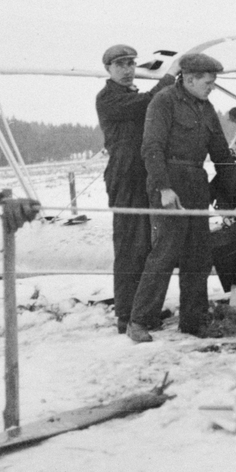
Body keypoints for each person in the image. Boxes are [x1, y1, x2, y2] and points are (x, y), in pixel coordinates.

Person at [127, 53, 236, 342]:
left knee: (198, 254)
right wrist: (162, 188)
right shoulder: (163, 102)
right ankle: (139, 322)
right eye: (208, 82)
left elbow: (221, 155)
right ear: (190, 78)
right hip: (169, 182)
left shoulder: (206, 108)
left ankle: (193, 323)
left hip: (196, 183)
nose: (212, 87)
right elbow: (152, 147)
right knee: (165, 252)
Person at [95, 44, 176, 333]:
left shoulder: (127, 95)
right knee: (129, 245)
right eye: (120, 65)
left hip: (140, 175)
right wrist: (168, 79)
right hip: (125, 176)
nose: (128, 70)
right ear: (108, 69)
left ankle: (140, 309)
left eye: (131, 64)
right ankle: (125, 314)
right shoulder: (107, 98)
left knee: (144, 244)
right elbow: (146, 104)